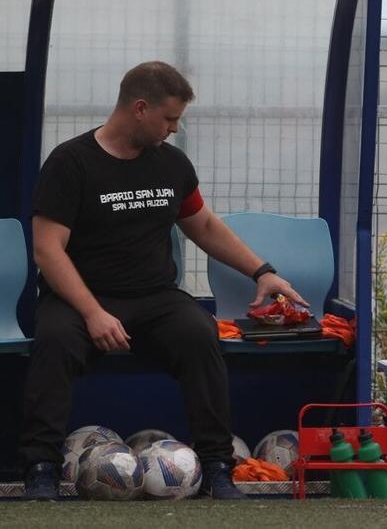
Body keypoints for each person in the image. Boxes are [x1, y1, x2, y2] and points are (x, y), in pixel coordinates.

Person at [19, 61, 308, 501]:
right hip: (80, 299)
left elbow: (203, 225)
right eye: (169, 118)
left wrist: (262, 271)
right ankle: (40, 468)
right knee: (55, 340)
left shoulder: (171, 164)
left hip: (154, 297)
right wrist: (93, 313)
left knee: (199, 333)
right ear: (140, 108)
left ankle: (217, 466)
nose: (175, 129)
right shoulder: (70, 163)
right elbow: (47, 250)